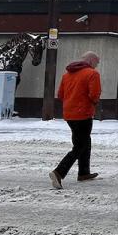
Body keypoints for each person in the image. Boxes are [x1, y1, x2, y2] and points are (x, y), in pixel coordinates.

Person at [49, 51, 102, 189]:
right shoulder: (92, 74)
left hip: (69, 114)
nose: (96, 66)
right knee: (80, 146)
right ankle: (59, 172)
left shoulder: (67, 75)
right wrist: (92, 102)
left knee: (84, 141)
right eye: (96, 63)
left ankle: (84, 172)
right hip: (83, 114)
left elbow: (60, 94)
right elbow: (94, 95)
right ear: (91, 61)